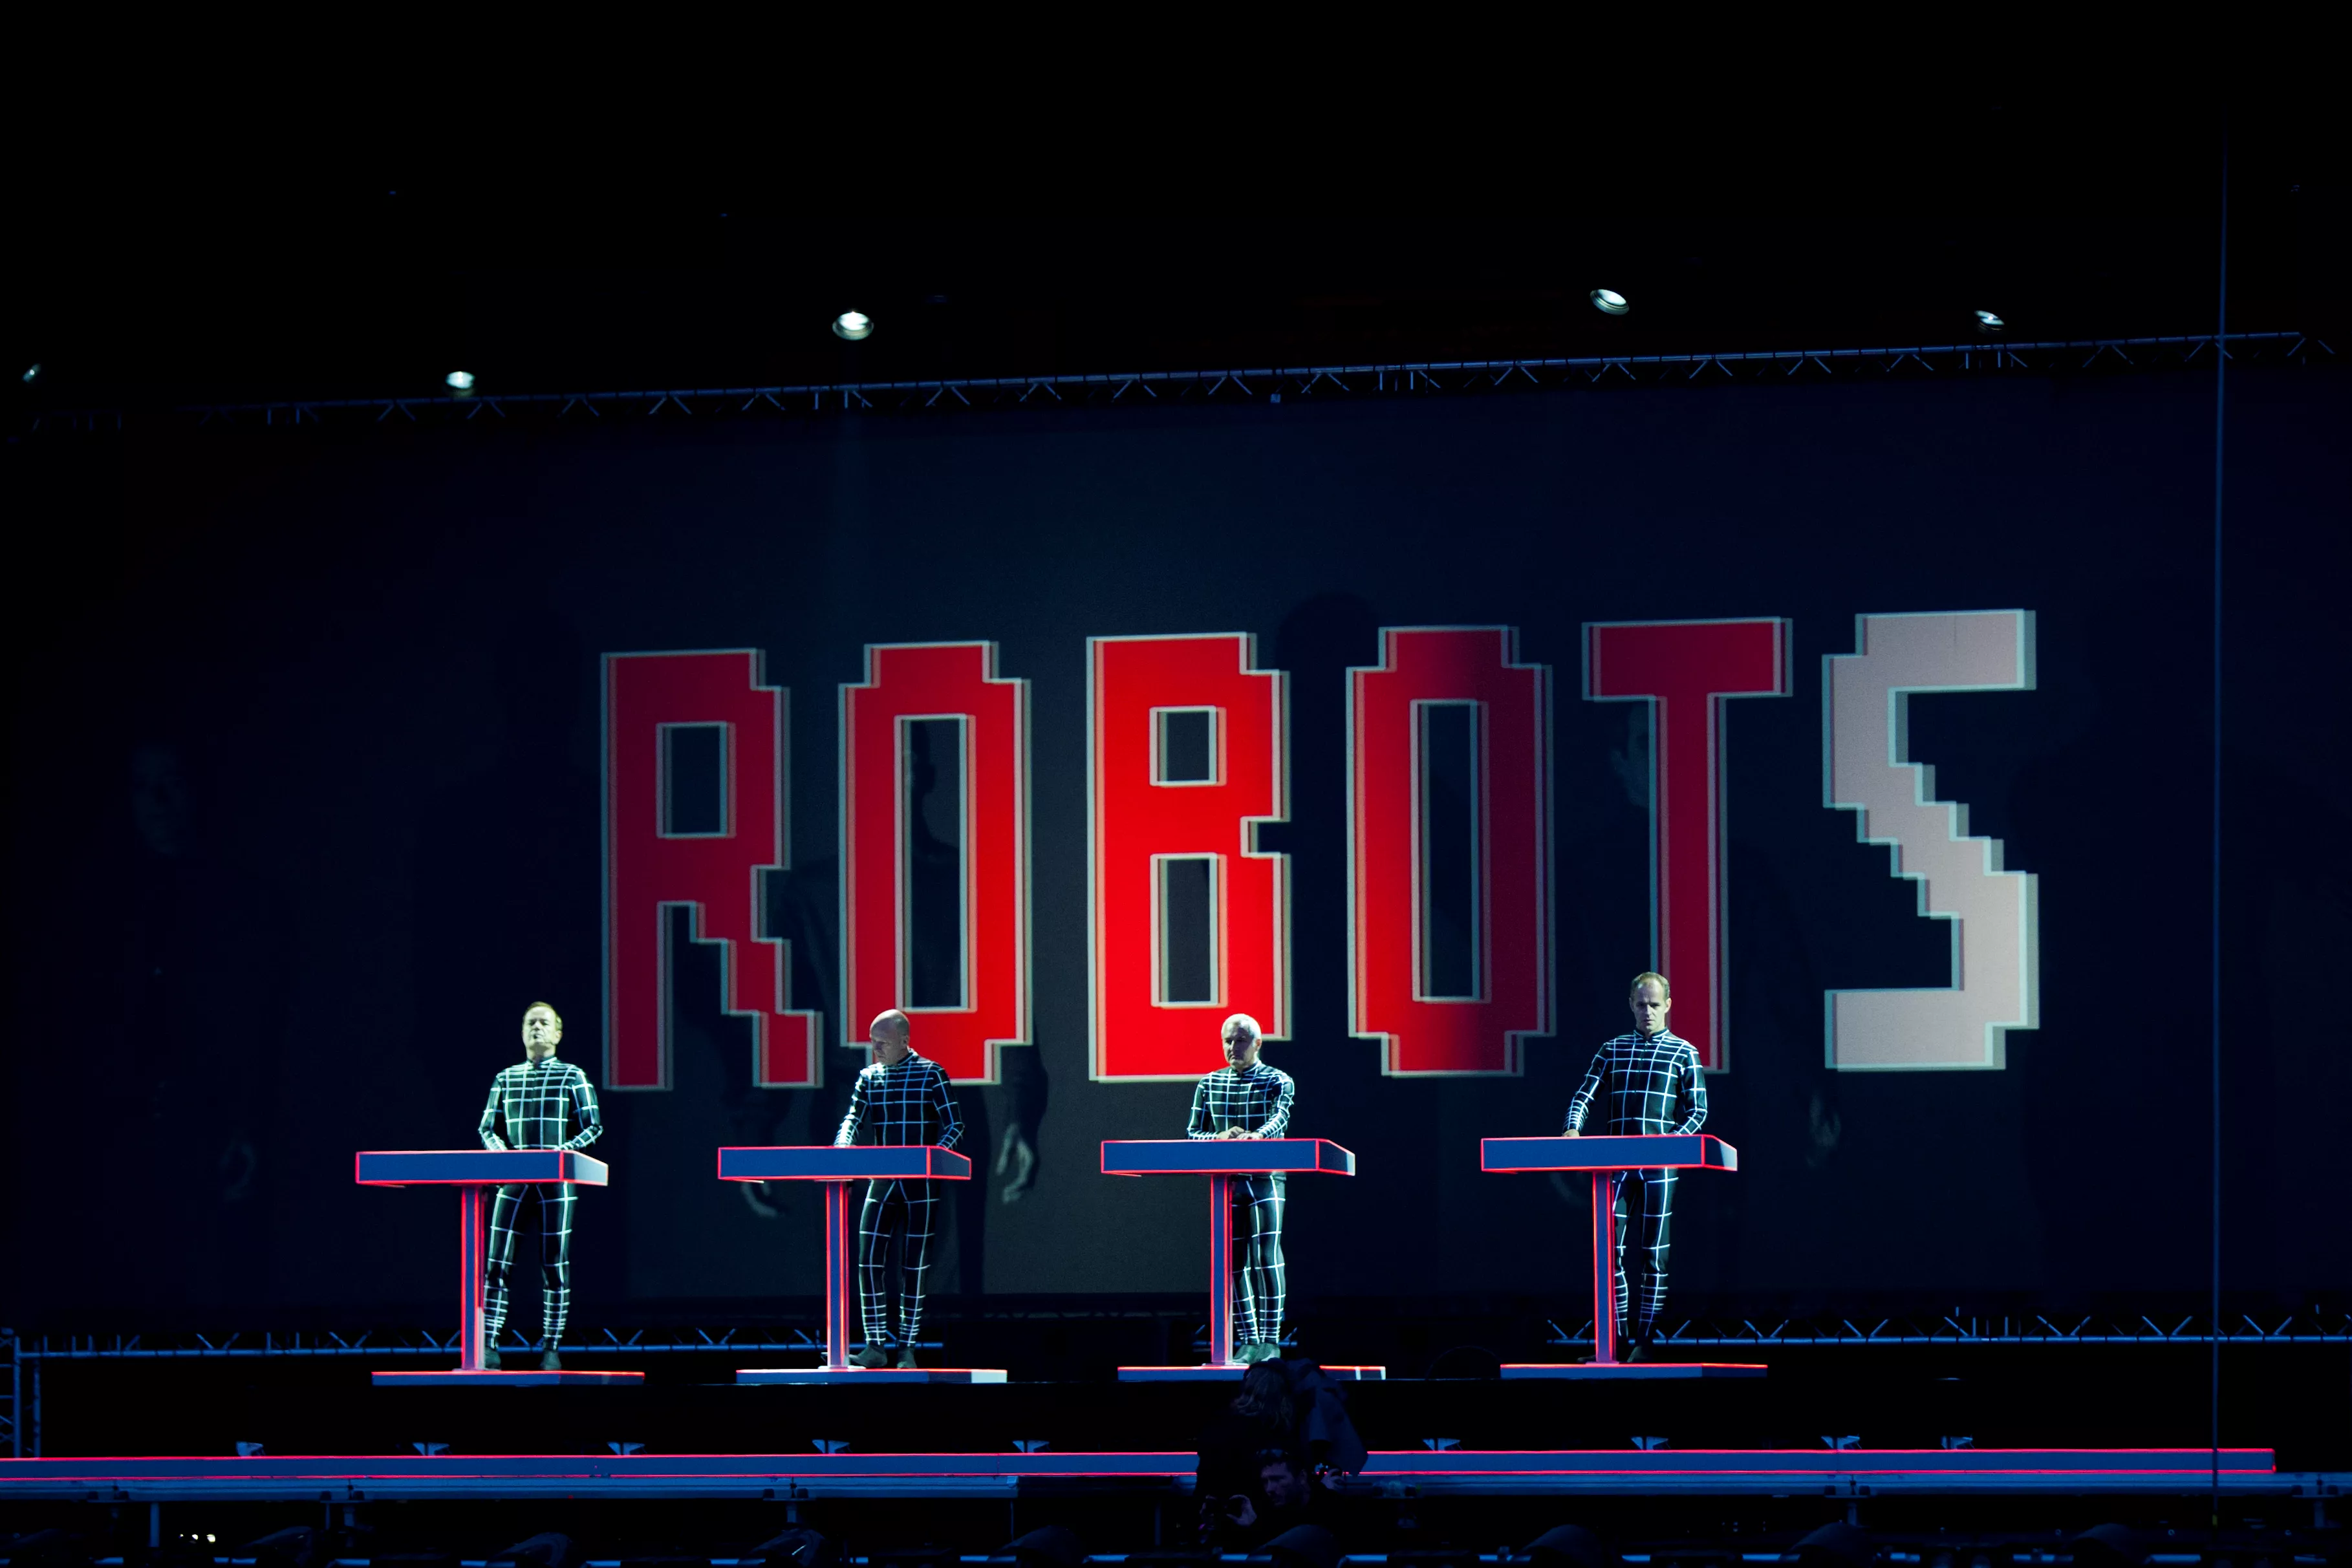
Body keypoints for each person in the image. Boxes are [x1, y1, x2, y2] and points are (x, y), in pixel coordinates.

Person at [1564, 971, 1707, 1361]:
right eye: (1641, 1004)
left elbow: (1698, 1111)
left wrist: (1671, 1143)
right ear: (1630, 1004)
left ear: (1668, 1006)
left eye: (1655, 1005)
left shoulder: (1684, 1052)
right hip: (1618, 1165)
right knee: (1609, 1250)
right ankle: (1616, 1342)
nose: (1648, 1012)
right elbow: (1584, 1093)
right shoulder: (1612, 1049)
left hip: (1660, 1166)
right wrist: (1572, 1127)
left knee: (1653, 1254)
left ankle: (1645, 1343)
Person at [835, 1008, 964, 1368]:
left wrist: (935, 1159)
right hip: (882, 1180)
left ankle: (907, 1348)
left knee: (914, 1267)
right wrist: (842, 1147)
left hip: (920, 1184)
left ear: (904, 1041)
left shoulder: (931, 1073)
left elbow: (955, 1125)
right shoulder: (869, 1077)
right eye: (873, 1042)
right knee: (868, 1260)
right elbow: (853, 1118)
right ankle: (875, 1346)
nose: (876, 1049)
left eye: (883, 1043)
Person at [477, 1002, 603, 1371]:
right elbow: (487, 1127)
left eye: (544, 1023)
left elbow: (593, 1125)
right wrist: (503, 1156)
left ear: (558, 1033)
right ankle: (488, 1344)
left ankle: (551, 1348)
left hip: (555, 1181)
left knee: (554, 1265)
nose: (537, 1028)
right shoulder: (506, 1077)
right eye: (530, 1022)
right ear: (521, 1032)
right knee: (496, 1263)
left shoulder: (572, 1075)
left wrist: (562, 1154)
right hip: (514, 1178)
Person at [1185, 1012, 1295, 1364]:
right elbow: (1193, 1133)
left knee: (1266, 1258)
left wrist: (1256, 1137)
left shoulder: (1278, 1080)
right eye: (1228, 1041)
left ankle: (1271, 1340)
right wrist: (1218, 1137)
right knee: (1233, 1262)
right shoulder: (1209, 1083)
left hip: (1265, 1178)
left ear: (1257, 1043)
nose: (1233, 1047)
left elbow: (1280, 1118)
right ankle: (1249, 1339)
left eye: (1241, 1040)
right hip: (1227, 1184)